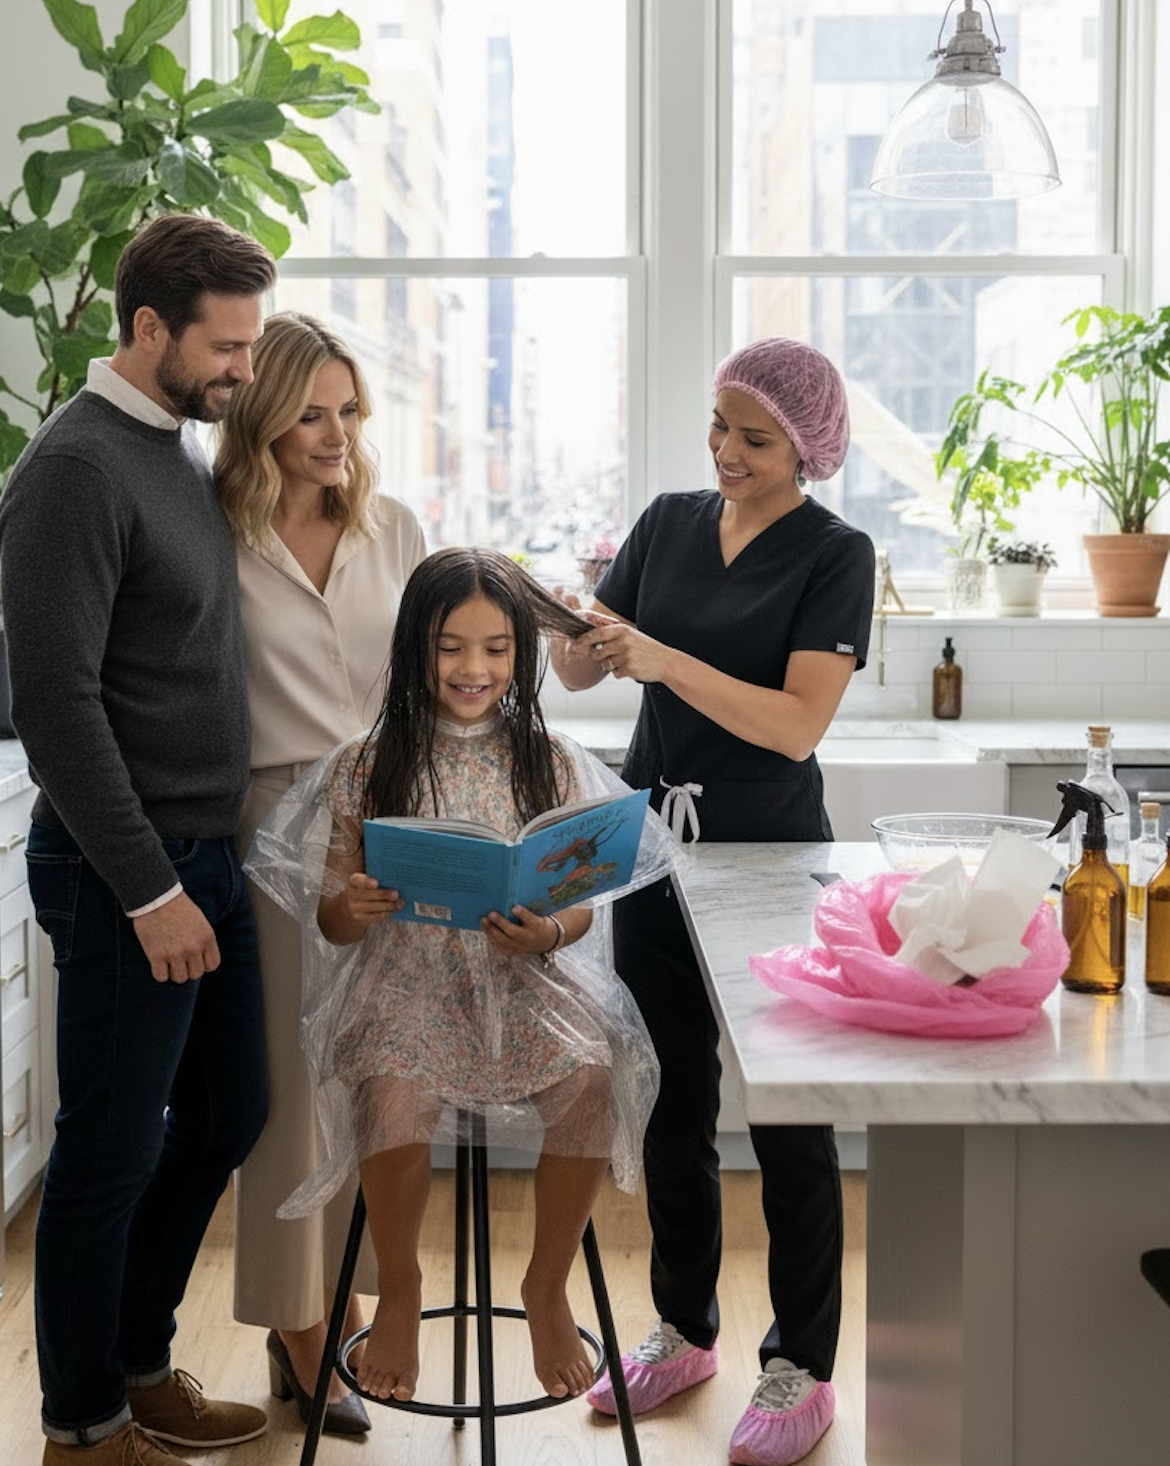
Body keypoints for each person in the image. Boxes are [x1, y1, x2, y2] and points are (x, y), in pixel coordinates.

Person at [244, 547, 673, 1405]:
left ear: (520, 653)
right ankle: (399, 1289)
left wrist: (548, 926)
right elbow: (330, 909)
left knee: (591, 1075)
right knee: (394, 1093)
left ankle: (546, 1283)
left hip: (524, 980)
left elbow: (583, 901)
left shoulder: (548, 757)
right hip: (407, 983)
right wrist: (353, 907)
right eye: (450, 647)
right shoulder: (366, 763)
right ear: (414, 649)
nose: (473, 669)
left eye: (495, 648)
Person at [551, 338, 874, 1466]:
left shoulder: (838, 555)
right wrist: (570, 632)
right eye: (719, 426)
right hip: (654, 849)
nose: (725, 452)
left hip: (771, 860)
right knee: (668, 1098)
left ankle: (803, 1365)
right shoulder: (667, 521)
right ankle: (685, 1327)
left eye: (754, 437)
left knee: (788, 1113)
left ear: (807, 449)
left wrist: (662, 657)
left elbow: (794, 724)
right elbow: (586, 673)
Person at [0, 213, 277, 1466]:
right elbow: (56, 707)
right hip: (131, 867)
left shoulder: (170, 447)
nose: (243, 374)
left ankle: (137, 1361)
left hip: (203, 854)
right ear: (149, 328)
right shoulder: (75, 469)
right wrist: (150, 886)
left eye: (253, 346)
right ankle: (82, 1421)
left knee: (227, 1112)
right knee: (108, 1150)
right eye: (226, 347)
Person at [212, 311, 426, 1435]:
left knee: (374, 1080)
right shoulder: (215, 532)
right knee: (293, 1100)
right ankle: (301, 1335)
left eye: (348, 409)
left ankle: (343, 1305)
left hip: (390, 820)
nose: (336, 431)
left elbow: (449, 667)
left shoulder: (395, 529)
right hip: (274, 828)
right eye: (310, 411)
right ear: (261, 414)